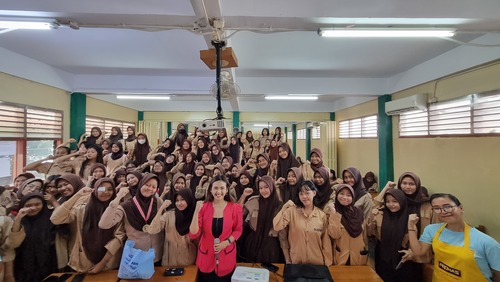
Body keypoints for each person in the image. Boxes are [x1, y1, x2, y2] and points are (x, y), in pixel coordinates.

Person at [408, 193, 500, 282]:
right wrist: (411, 227)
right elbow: (418, 251)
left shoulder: (486, 242)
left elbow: (498, 274)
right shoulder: (432, 230)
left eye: (447, 206)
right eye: (437, 208)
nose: (443, 211)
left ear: (461, 208)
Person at [50, 178, 125, 273]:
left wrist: (102, 264)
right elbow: (55, 219)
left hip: (109, 262)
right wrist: (77, 195)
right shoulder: (82, 209)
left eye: (110, 189)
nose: (106, 192)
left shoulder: (118, 210)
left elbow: (119, 237)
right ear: (95, 190)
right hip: (84, 259)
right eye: (101, 189)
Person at [99, 174, 164, 264]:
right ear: (141, 184)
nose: (150, 189)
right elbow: (104, 224)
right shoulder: (126, 206)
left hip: (157, 254)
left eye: (154, 187)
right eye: (147, 185)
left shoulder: (159, 202)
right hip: (137, 255)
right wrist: (118, 198)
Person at [189, 175, 243, 282]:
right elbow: (193, 234)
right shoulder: (203, 207)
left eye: (222, 188)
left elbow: (238, 230)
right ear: (210, 190)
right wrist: (196, 211)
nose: (219, 191)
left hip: (227, 256)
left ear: (227, 190)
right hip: (206, 257)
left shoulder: (235, 208)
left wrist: (226, 242)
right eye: (216, 188)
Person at [273, 180, 332, 265]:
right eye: (301, 193)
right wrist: (284, 208)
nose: (304, 196)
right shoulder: (291, 212)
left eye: (307, 193)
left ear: (314, 193)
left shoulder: (321, 216)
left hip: (317, 263)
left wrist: (327, 263)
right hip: (297, 262)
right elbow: (277, 226)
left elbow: (325, 242)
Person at [367, 189, 421, 282]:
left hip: (403, 257)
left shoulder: (410, 218)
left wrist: (410, 251)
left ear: (402, 201)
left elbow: (414, 239)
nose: (391, 204)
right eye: (387, 201)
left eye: (395, 201)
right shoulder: (380, 215)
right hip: (383, 255)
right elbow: (369, 232)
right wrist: (372, 216)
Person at [12, 192, 58, 282]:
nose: (33, 208)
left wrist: (54, 202)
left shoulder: (51, 217)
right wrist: (18, 218)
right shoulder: (18, 220)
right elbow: (13, 242)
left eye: (37, 204)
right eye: (28, 205)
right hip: (23, 263)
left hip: (49, 262)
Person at [147, 188, 197, 267]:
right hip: (169, 259)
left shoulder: (195, 216)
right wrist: (161, 209)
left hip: (188, 259)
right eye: (177, 200)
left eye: (183, 199)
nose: (179, 203)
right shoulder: (169, 215)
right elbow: (152, 230)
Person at [243, 176, 285, 263]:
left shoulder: (280, 206)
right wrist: (244, 196)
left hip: (270, 245)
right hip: (254, 242)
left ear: (272, 186)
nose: (263, 190)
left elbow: (283, 230)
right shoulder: (253, 202)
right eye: (261, 188)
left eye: (266, 187)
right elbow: (237, 214)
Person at [327, 184, 367, 266]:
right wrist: (334, 214)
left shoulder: (359, 212)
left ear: (353, 197)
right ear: (337, 195)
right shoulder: (332, 211)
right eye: (341, 194)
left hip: (358, 256)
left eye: (348, 195)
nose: (344, 197)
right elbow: (334, 234)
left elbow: (364, 236)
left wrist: (365, 250)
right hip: (341, 256)